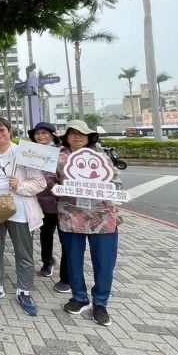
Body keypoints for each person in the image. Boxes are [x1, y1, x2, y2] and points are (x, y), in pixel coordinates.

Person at [0, 118, 45, 316]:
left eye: (2, 130)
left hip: (20, 211)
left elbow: (39, 182)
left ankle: (24, 290)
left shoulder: (23, 153)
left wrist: (20, 186)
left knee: (24, 252)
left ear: (10, 132)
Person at [57, 120, 122, 326]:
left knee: (104, 263)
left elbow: (116, 182)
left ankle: (101, 303)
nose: (77, 137)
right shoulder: (58, 157)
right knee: (73, 259)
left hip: (102, 216)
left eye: (81, 134)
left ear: (89, 137)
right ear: (66, 136)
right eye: (72, 133)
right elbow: (48, 180)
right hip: (71, 215)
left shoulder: (100, 156)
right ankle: (79, 297)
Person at [28, 122, 71, 292]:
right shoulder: (30, 153)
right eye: (37, 133)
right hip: (41, 202)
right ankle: (47, 262)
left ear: (53, 135)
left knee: (65, 239)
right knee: (45, 235)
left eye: (45, 133)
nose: (40, 136)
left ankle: (66, 276)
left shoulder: (62, 153)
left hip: (61, 202)